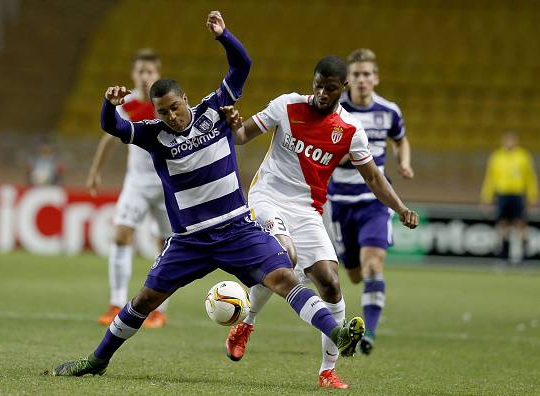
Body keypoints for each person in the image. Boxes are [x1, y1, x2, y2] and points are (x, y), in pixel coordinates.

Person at [48, 11, 362, 378]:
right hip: (189, 241)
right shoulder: (152, 134)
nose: (172, 117)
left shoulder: (214, 110)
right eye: (163, 112)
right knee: (145, 300)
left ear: (186, 99)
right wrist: (109, 103)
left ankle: (337, 333)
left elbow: (242, 66)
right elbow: (111, 126)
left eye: (176, 107)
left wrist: (224, 37)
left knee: (284, 279)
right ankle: (96, 361)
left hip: (236, 229)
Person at [221, 55, 418, 388]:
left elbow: (373, 178)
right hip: (266, 197)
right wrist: (233, 122)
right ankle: (246, 323)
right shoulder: (287, 105)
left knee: (330, 281)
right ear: (312, 82)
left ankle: (327, 371)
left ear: (343, 87)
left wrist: (400, 208)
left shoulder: (350, 130)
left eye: (330, 88)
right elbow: (241, 136)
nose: (322, 94)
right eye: (318, 86)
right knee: (286, 255)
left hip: (307, 209)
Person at [326, 48, 413, 355]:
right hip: (339, 203)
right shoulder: (336, 112)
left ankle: (369, 334)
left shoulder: (389, 111)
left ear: (376, 78)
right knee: (352, 273)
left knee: (373, 264)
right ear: (348, 80)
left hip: (375, 201)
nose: (362, 80)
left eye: (367, 74)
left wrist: (404, 163)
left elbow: (400, 139)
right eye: (356, 75)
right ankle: (363, 300)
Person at [86, 49, 172, 329]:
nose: (145, 76)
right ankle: (115, 303)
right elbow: (109, 137)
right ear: (133, 74)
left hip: (167, 183)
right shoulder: (127, 104)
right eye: (141, 71)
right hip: (136, 183)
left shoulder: (167, 103)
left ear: (157, 74)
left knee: (168, 245)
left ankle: (158, 311)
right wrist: (95, 171)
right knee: (122, 235)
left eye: (150, 71)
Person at [481, 131, 538, 263]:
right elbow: (490, 179)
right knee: (503, 224)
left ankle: (525, 256)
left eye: (511, 140)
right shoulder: (497, 157)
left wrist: (532, 197)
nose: (509, 143)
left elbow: (530, 178)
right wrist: (486, 198)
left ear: (516, 142)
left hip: (518, 194)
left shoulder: (523, 156)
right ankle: (503, 255)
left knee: (520, 224)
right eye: (507, 140)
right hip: (502, 194)